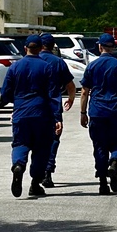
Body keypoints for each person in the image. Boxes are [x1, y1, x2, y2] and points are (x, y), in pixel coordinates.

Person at [0, 34, 60, 199]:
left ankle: (18, 166)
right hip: (42, 114)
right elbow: (53, 95)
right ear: (41, 48)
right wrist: (56, 117)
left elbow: (5, 94)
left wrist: (18, 102)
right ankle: (35, 183)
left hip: (21, 113)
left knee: (20, 143)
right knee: (42, 149)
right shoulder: (47, 67)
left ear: (25, 48)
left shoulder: (14, 67)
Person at [80, 34, 117, 194]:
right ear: (113, 47)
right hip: (116, 110)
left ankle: (103, 182)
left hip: (97, 112)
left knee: (99, 146)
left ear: (100, 47)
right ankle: (115, 162)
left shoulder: (92, 66)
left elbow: (84, 92)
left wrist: (83, 113)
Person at [39, 32, 76, 188]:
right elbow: (70, 86)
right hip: (53, 106)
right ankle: (47, 172)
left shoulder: (30, 61)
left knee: (34, 140)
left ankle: (33, 170)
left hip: (33, 106)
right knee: (53, 139)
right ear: (53, 46)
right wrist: (71, 98)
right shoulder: (58, 62)